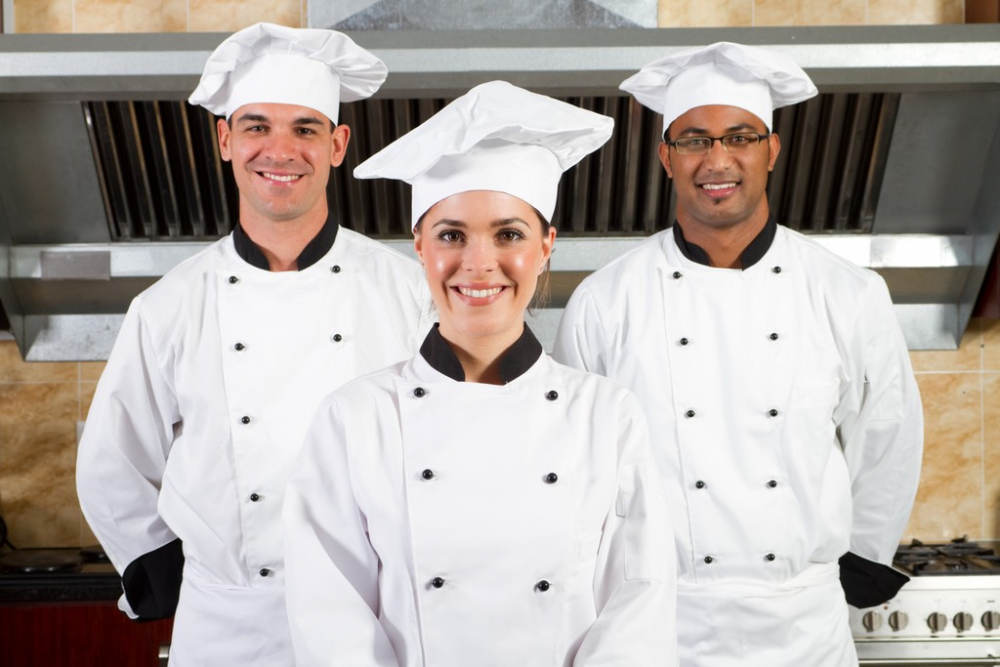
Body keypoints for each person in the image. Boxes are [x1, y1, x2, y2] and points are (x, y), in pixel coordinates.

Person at [282, 80, 678, 666]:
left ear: (546, 245)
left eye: (509, 234)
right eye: (451, 235)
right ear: (418, 245)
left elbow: (640, 600)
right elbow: (329, 613)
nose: (478, 263)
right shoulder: (356, 417)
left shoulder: (606, 415)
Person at [553, 42, 923, 667]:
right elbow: (577, 462)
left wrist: (863, 554)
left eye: (740, 137)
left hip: (804, 627)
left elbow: (887, 434)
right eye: (694, 140)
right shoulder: (604, 302)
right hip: (659, 624)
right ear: (666, 157)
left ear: (771, 151)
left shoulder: (848, 292)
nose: (717, 160)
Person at [76, 22, 432, 666]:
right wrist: (162, 572)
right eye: (256, 125)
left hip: (374, 619)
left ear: (337, 145)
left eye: (305, 129)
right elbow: (112, 458)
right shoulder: (169, 306)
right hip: (230, 626)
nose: (280, 149)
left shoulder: (409, 293)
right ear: (224, 139)